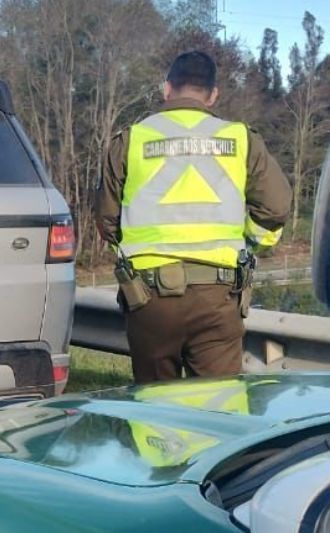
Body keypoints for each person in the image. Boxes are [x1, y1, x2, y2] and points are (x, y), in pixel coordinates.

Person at [95, 51, 292, 384]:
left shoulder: (131, 139)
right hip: (219, 294)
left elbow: (106, 220)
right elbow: (275, 208)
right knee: (218, 409)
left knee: (156, 406)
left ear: (166, 89)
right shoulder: (240, 139)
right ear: (213, 95)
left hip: (148, 297)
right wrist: (248, 243)